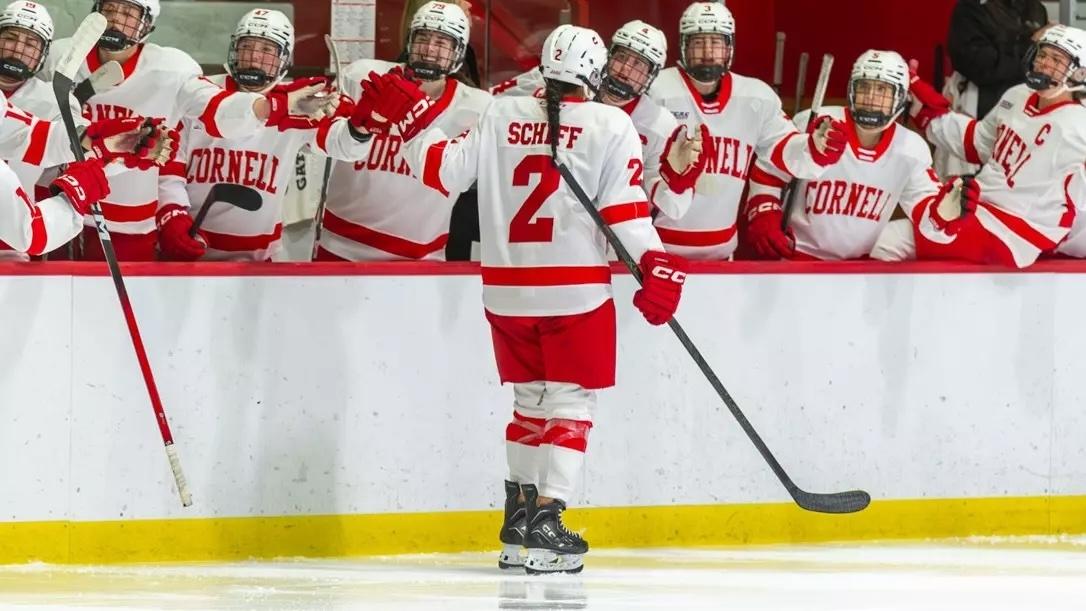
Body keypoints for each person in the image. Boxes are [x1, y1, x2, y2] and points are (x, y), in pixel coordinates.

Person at [351, 24, 689, 575]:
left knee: (529, 405)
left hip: (506, 291)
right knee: (571, 407)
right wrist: (657, 264)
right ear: (594, 73)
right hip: (575, 292)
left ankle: (518, 517)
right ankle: (550, 519)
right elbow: (627, 211)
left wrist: (411, 126)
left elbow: (442, 171)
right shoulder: (611, 123)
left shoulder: (500, 113)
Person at [41, 0, 335, 261]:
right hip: (55, 209)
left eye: (128, 12)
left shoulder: (172, 69)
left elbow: (216, 111)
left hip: (128, 227)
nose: (116, 19)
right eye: (109, 9)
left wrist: (272, 108)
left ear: (148, 23)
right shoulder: (58, 56)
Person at [645, 1, 848, 260]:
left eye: (716, 43)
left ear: (729, 47)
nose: (708, 52)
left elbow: (783, 151)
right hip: (655, 249)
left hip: (721, 255)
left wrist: (813, 149)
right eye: (698, 43)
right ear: (684, 45)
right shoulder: (656, 89)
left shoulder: (756, 98)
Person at [881, 24, 1086, 267]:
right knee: (900, 226)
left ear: (1080, 73)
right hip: (982, 209)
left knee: (890, 240)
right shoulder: (1018, 95)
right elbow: (977, 143)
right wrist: (929, 114)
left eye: (1057, 59)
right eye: (1042, 54)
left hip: (1016, 233)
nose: (1044, 63)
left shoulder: (1078, 127)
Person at [170, 9, 367, 261]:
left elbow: (342, 147)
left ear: (284, 59)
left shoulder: (300, 102)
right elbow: (170, 166)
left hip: (261, 258)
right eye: (247, 46)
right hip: (192, 247)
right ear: (234, 50)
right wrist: (172, 214)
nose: (254, 57)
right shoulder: (201, 88)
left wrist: (362, 125)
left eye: (266, 50)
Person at [316, 1, 490, 262]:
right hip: (341, 247)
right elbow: (316, 142)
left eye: (442, 43)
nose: (430, 50)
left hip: (421, 261)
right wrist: (355, 129)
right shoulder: (363, 76)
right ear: (410, 40)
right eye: (423, 38)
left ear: (458, 51)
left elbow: (461, 177)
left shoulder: (478, 107)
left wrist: (416, 116)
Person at [495, 20, 709, 221]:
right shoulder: (563, 76)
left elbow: (674, 208)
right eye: (622, 58)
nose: (626, 70)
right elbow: (491, 105)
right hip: (540, 221)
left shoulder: (659, 125)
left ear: (652, 75)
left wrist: (677, 182)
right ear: (608, 55)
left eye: (638, 65)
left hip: (611, 242)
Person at [743, 50, 941, 261]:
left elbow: (928, 212)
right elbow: (770, 169)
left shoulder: (911, 149)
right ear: (851, 90)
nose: (871, 98)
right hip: (798, 261)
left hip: (857, 272)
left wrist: (947, 213)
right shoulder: (817, 123)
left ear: (900, 96)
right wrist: (763, 211)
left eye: (882, 89)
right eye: (864, 87)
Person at [947, 0, 1050, 120]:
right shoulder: (971, 7)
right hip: (985, 107)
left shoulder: (1037, 8)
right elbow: (980, 66)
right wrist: (1030, 46)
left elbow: (1040, 66)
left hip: (1028, 109)